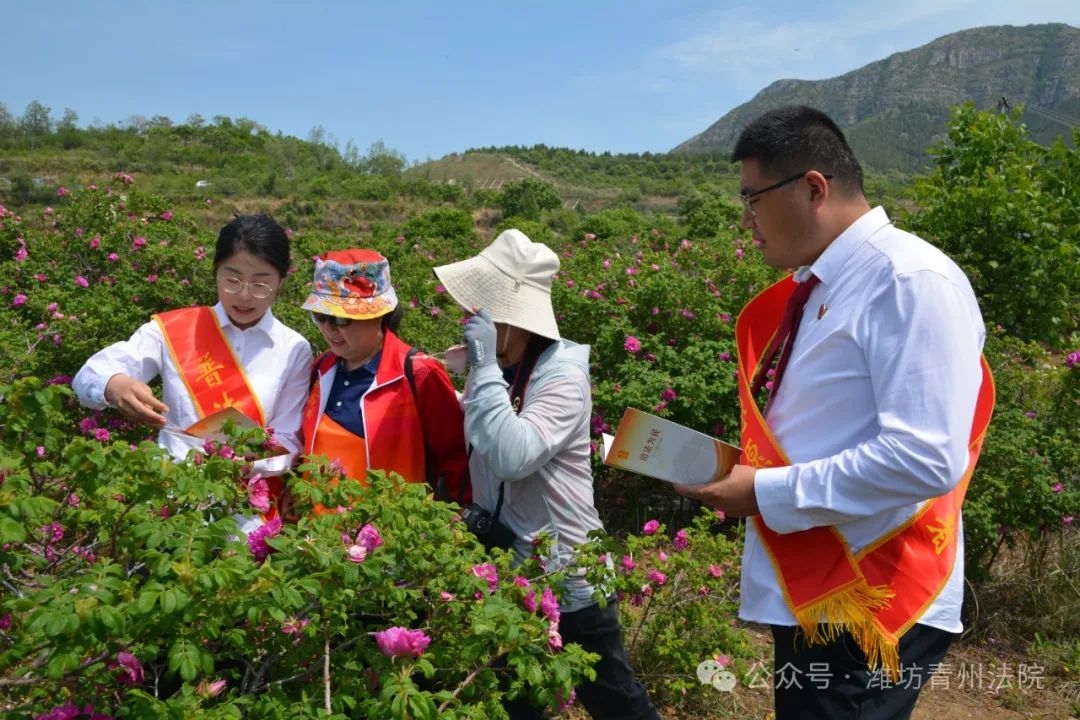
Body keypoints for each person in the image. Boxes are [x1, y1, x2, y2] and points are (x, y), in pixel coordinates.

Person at [676, 106, 994, 720]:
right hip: (819, 592)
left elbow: (923, 458)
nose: (746, 221)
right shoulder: (827, 285)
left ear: (813, 188)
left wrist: (766, 491)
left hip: (868, 595)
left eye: (752, 199)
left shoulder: (907, 279)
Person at [434, 229, 659, 720]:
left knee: (613, 697)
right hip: (513, 566)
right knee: (517, 699)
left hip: (569, 571)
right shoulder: (500, 365)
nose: (472, 317)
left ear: (512, 319)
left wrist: (480, 363)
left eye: (484, 309)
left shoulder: (562, 378)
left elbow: (512, 453)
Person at [73, 214, 313, 525]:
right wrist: (113, 385)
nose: (243, 294)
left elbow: (289, 442)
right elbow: (89, 375)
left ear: (281, 280)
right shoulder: (175, 329)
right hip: (171, 508)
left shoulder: (294, 348)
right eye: (232, 278)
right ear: (215, 272)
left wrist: (246, 466)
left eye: (260, 283)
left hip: (246, 516)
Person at [299, 249, 469, 506]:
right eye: (320, 316)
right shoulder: (322, 368)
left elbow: (455, 461)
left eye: (341, 319)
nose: (329, 329)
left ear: (378, 316)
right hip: (316, 537)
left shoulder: (420, 374)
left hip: (389, 536)